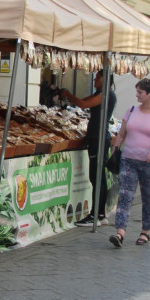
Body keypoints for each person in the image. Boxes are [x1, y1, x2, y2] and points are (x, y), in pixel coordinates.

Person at [107, 78, 150, 247]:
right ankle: (120, 232)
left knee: (148, 196)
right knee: (125, 195)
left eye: (140, 92)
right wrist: (115, 151)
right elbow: (122, 134)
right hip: (128, 159)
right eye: (137, 91)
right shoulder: (131, 110)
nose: (137, 95)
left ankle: (145, 232)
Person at [60, 73, 117, 226]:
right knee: (97, 177)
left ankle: (96, 215)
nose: (94, 80)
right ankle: (100, 214)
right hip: (95, 137)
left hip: (99, 138)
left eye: (97, 77)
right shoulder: (99, 93)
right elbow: (82, 102)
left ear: (105, 79)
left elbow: (84, 105)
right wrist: (69, 97)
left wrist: (68, 94)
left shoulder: (106, 94)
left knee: (97, 176)